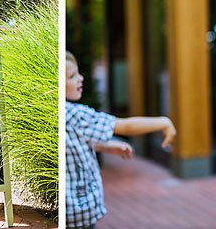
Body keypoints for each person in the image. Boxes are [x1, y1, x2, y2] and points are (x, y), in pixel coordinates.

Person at [65, 51, 176, 229]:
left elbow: (70, 142)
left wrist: (107, 147)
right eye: (72, 76)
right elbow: (125, 126)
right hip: (77, 214)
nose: (81, 78)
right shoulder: (74, 114)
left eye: (78, 72)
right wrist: (163, 122)